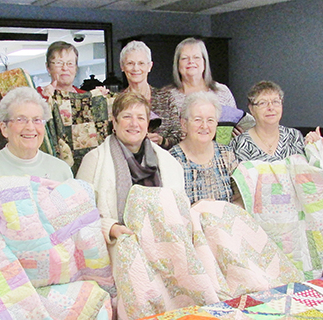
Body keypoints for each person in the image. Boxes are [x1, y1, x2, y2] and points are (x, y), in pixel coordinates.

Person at [76, 91, 185, 244]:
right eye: (127, 116)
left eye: (140, 118)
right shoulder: (94, 160)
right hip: (117, 249)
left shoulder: (169, 162)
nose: (134, 123)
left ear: (147, 124)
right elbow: (78, 213)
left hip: (163, 246)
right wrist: (111, 229)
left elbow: (180, 211)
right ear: (114, 122)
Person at [0, 87, 73, 183]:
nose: (30, 127)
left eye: (37, 120)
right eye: (20, 120)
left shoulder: (62, 171)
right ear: (4, 128)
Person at [158, 37, 241, 147]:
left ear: (204, 62)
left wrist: (239, 134)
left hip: (222, 156)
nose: (191, 62)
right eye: (184, 58)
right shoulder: (166, 95)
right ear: (177, 64)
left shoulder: (222, 91)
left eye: (196, 57)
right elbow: (161, 136)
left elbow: (236, 123)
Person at [169, 92, 238, 204]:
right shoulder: (172, 160)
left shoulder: (227, 154)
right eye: (197, 120)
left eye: (210, 120)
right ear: (184, 124)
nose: (204, 126)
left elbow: (240, 197)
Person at [120, 41, 178, 149]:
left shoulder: (165, 98)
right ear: (122, 67)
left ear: (150, 66)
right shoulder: (117, 101)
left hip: (161, 161)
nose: (136, 68)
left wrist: (162, 140)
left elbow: (179, 136)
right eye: (130, 63)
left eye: (141, 63)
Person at [230, 81, 305, 162]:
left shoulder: (294, 137)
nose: (271, 107)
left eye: (275, 102)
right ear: (251, 109)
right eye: (263, 103)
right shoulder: (239, 144)